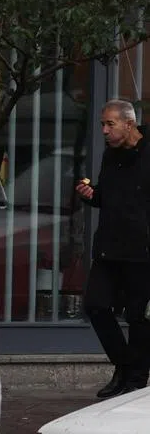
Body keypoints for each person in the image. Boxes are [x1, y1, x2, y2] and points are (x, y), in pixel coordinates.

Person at [75, 99, 150, 398]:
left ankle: (134, 382)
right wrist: (90, 194)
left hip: (142, 251)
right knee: (95, 305)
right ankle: (125, 365)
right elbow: (105, 196)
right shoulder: (111, 155)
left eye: (110, 124)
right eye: (102, 125)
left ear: (129, 124)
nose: (104, 131)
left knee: (138, 318)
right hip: (108, 248)